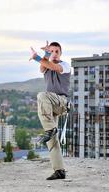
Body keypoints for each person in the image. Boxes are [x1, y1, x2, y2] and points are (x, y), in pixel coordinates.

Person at [29, 41, 71, 180]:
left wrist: (36, 57)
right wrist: (45, 55)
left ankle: (50, 129)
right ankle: (59, 171)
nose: (54, 54)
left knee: (41, 95)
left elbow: (50, 65)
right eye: (51, 51)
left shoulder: (64, 66)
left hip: (61, 102)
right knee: (52, 140)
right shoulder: (46, 66)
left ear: (61, 53)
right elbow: (43, 67)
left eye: (56, 51)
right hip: (50, 104)